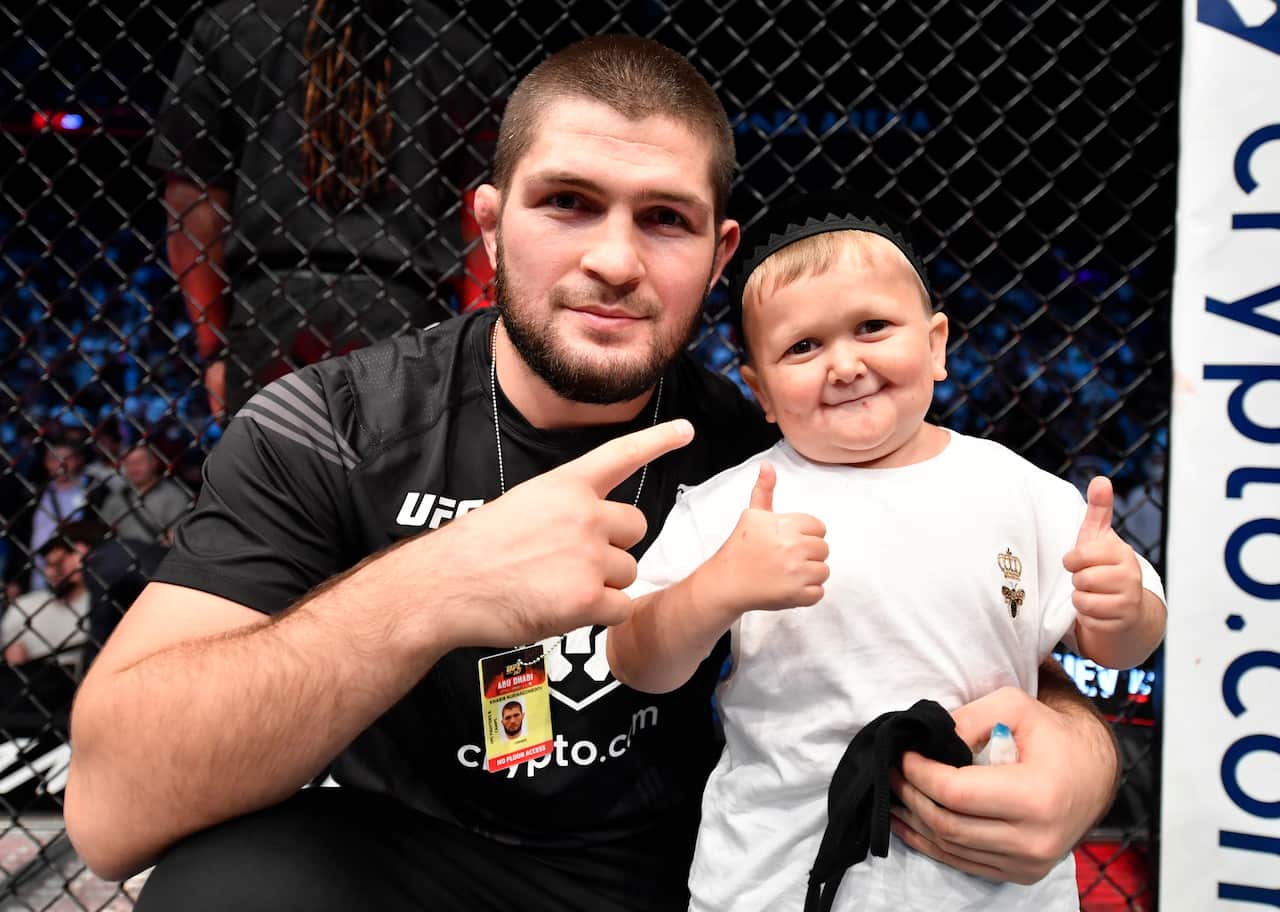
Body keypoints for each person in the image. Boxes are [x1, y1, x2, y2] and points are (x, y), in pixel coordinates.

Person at [69, 37, 1127, 910]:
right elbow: (112, 812)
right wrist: (438, 584)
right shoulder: (335, 424)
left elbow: (964, 633)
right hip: (410, 852)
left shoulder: (778, 449)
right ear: (486, 224)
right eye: (567, 202)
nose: (614, 260)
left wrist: (1080, 763)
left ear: (718, 257)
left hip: (683, 867)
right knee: (227, 890)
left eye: (661, 219)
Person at [607, 192, 1168, 911]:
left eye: (872, 327)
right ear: (762, 391)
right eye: (802, 347)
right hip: (777, 880)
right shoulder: (737, 504)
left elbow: (1122, 647)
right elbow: (636, 662)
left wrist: (1121, 607)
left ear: (935, 345)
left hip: (988, 884)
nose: (843, 364)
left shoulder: (1013, 487)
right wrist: (716, 587)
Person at [150, 0, 506, 420]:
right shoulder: (454, 46)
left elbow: (193, 205)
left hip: (270, 307)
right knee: (389, 482)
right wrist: (474, 352)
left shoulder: (237, 27)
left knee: (268, 479)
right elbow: (484, 222)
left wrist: (213, 346)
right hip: (404, 310)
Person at [1, 519, 104, 726]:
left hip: (77, 709)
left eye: (61, 563)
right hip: (25, 709)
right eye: (49, 564)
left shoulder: (100, 608)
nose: (52, 572)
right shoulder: (24, 607)